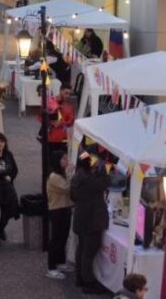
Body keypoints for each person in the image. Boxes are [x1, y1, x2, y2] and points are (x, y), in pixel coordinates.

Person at [71, 152, 111, 294]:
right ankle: (88, 282)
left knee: (81, 248)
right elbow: (105, 182)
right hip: (91, 220)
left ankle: (80, 277)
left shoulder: (77, 176)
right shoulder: (89, 180)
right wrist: (103, 168)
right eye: (94, 161)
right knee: (89, 252)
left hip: (81, 217)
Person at [46, 152, 74, 280]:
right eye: (63, 158)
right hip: (57, 210)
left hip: (65, 208)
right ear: (57, 160)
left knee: (63, 237)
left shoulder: (60, 174)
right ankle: (51, 268)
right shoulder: (54, 176)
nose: (66, 160)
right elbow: (67, 188)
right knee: (56, 239)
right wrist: (70, 173)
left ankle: (61, 262)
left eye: (66, 158)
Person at [48, 84, 75, 155]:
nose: (68, 96)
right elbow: (40, 117)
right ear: (60, 91)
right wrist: (50, 122)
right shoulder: (51, 101)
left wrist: (62, 122)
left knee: (63, 158)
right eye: (66, 93)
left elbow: (71, 121)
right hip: (50, 138)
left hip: (63, 138)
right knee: (49, 159)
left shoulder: (70, 106)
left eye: (69, 94)